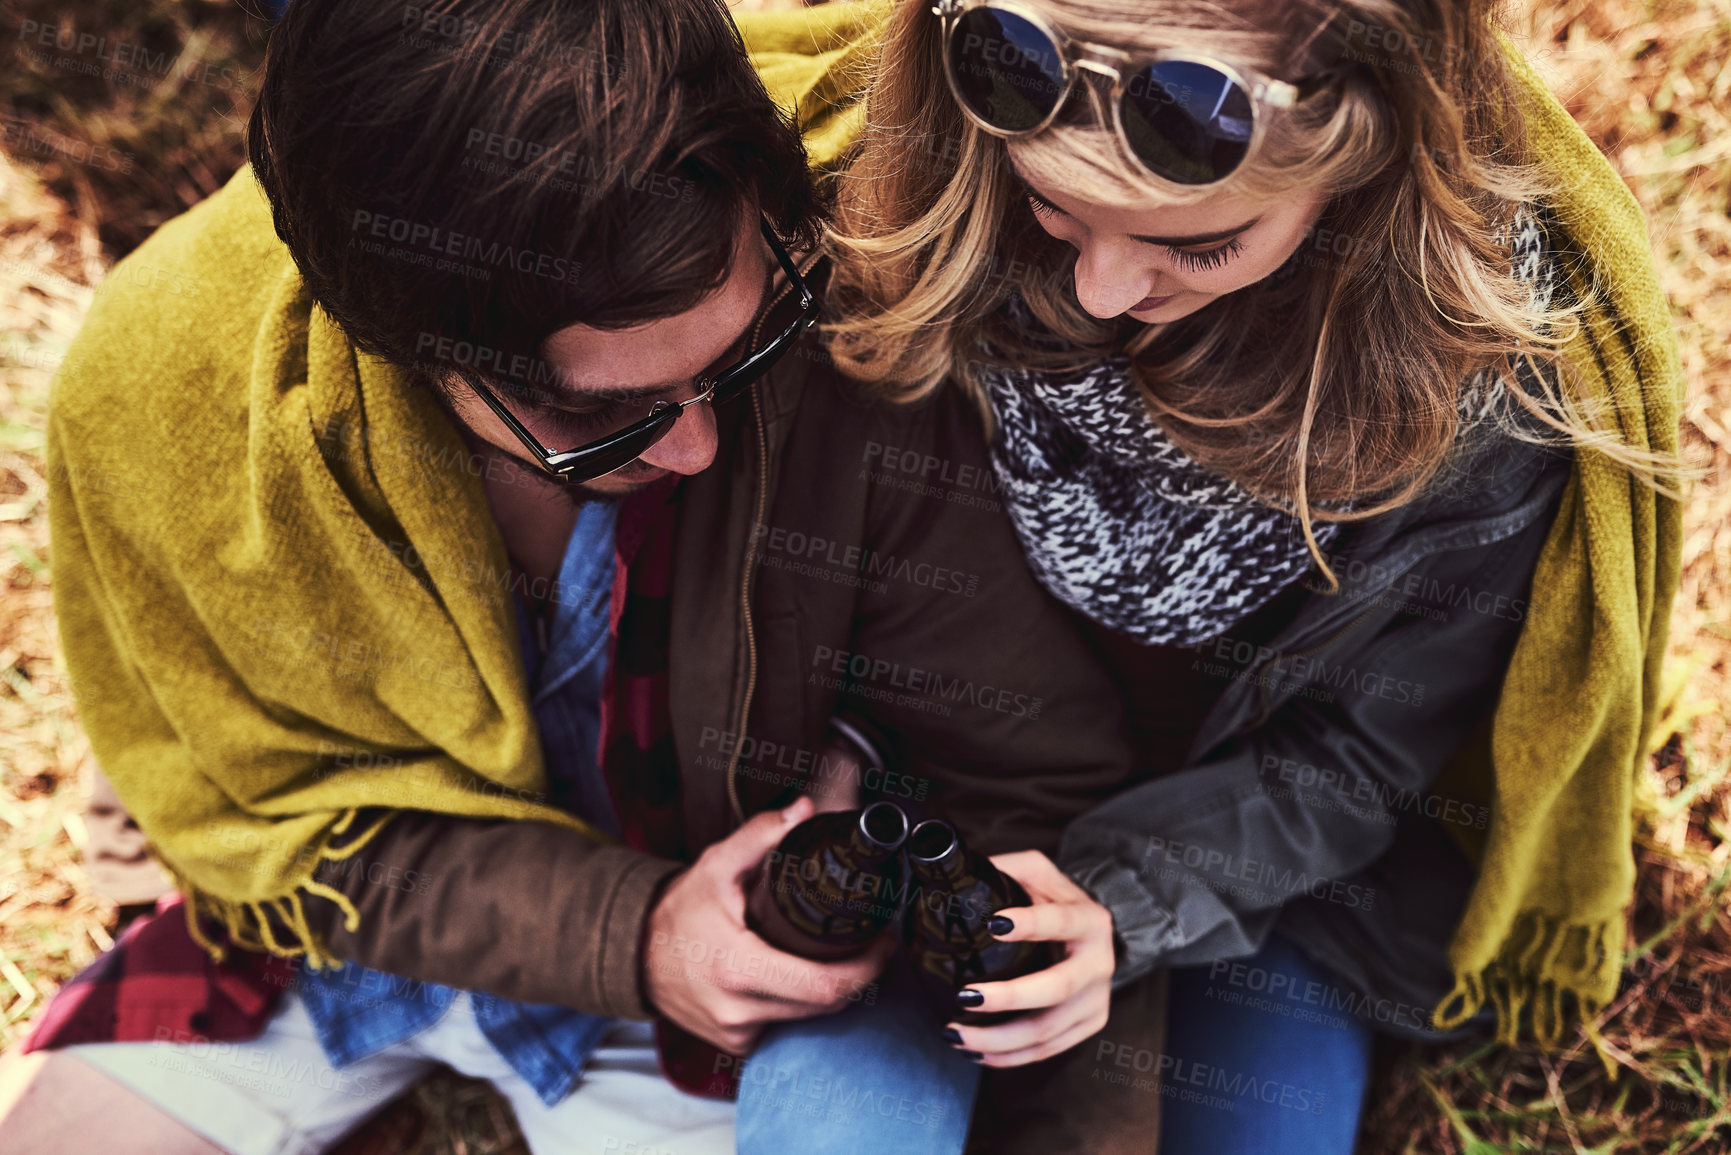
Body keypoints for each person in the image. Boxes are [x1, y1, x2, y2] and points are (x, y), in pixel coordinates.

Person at [2, 1, 1171, 1152]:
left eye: (743, 348)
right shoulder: (172, 401)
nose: (696, 448)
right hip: (356, 951)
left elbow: (1026, 760)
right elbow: (291, 827)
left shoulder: (846, 305)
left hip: (734, 996)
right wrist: (631, 934)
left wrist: (871, 815)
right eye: (596, 419)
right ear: (404, 350)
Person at [721, 0, 1684, 1150]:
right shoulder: (909, 204)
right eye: (1058, 210)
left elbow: (1362, 753)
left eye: (1196, 243)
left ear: (1369, 158)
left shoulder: (1477, 393)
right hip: (938, 810)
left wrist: (1128, 906)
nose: (1104, 292)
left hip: (1267, 873)